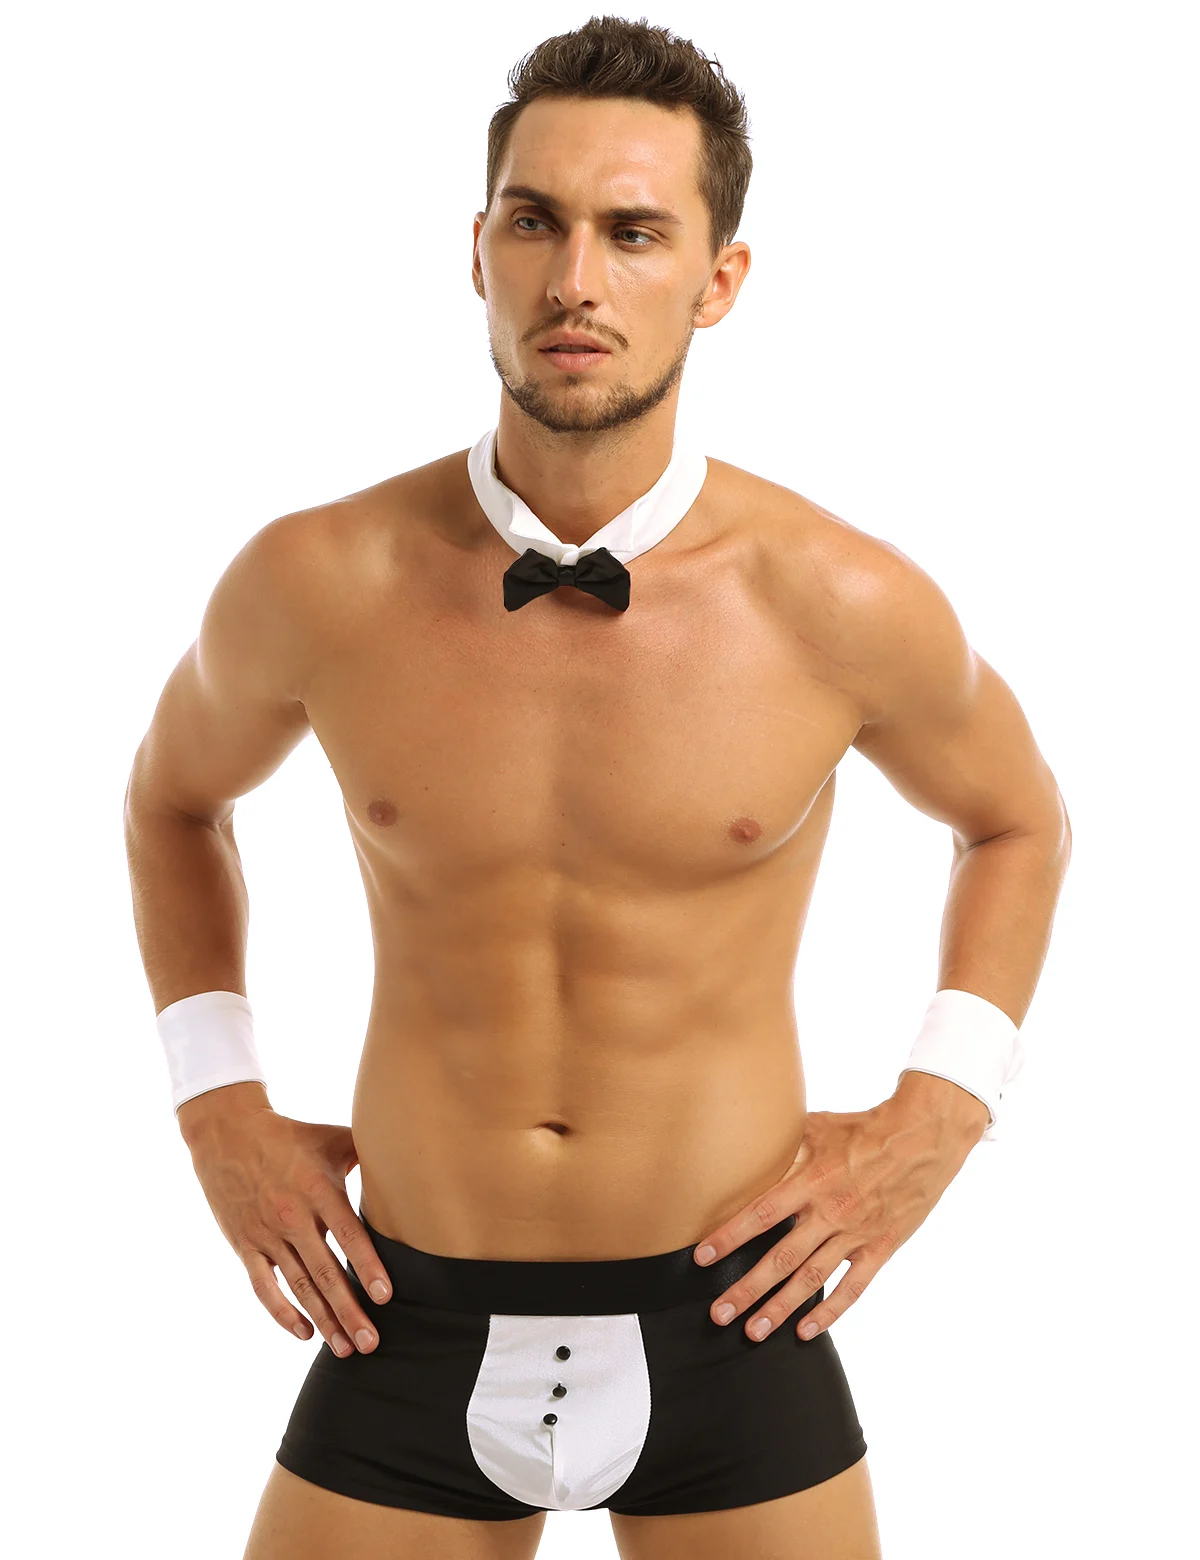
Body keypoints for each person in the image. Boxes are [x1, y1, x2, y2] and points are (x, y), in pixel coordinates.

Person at [124, 17, 1070, 1560]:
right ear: (476, 251)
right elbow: (171, 799)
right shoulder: (318, 582)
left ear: (717, 280)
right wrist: (213, 1098)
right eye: (535, 222)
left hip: (736, 1319)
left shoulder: (838, 599)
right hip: (403, 1315)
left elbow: (1018, 818)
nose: (575, 280)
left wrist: (944, 1107)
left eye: (634, 233)